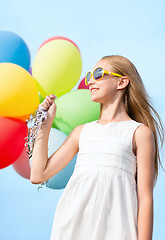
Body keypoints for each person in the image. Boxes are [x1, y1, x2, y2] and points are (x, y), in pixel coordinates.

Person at [30, 55, 164, 240]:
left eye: (99, 74)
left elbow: (145, 198)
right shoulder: (81, 132)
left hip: (118, 230)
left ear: (122, 82)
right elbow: (38, 175)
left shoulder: (139, 133)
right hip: (71, 228)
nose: (91, 81)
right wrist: (45, 126)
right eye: (89, 76)